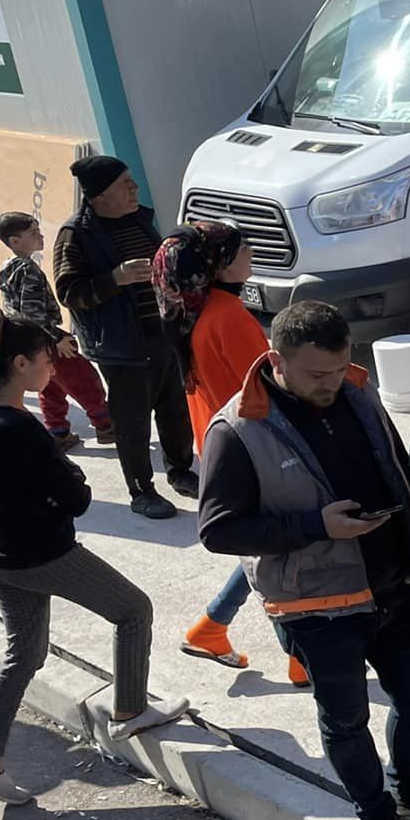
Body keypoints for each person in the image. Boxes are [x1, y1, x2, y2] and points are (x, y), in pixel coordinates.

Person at [199, 301, 410, 820]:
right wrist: (318, 525)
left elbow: (397, 466)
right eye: (316, 374)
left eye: (339, 367)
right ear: (276, 361)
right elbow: (218, 530)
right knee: (345, 723)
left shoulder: (356, 390)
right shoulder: (237, 429)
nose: (330, 384)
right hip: (319, 611)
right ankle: (377, 819)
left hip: (395, 586)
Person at [0, 311, 189, 803]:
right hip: (41, 554)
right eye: (46, 360)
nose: (52, 369)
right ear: (20, 363)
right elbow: (75, 498)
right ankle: (130, 711)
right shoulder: (20, 429)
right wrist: (72, 477)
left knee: (26, 652)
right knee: (133, 609)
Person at [153, 221, 289, 679]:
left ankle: (212, 626)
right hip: (256, 447)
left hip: (219, 442)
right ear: (219, 264)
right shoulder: (229, 316)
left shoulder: (192, 310)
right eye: (242, 249)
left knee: (263, 549)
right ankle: (300, 657)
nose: (251, 253)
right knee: (276, 552)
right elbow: (269, 388)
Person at [51, 155, 197, 520]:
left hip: (162, 334)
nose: (135, 189)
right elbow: (69, 291)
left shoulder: (138, 219)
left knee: (175, 411)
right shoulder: (77, 234)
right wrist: (115, 278)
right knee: (132, 424)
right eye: (125, 184)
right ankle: (141, 491)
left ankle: (180, 470)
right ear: (100, 195)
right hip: (123, 346)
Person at [0, 211, 111, 450]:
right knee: (83, 378)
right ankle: (105, 425)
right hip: (45, 339)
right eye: (33, 232)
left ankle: (58, 430)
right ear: (15, 241)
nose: (41, 236)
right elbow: (32, 314)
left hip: (30, 341)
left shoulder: (10, 269)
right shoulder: (28, 271)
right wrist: (57, 338)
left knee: (50, 385)